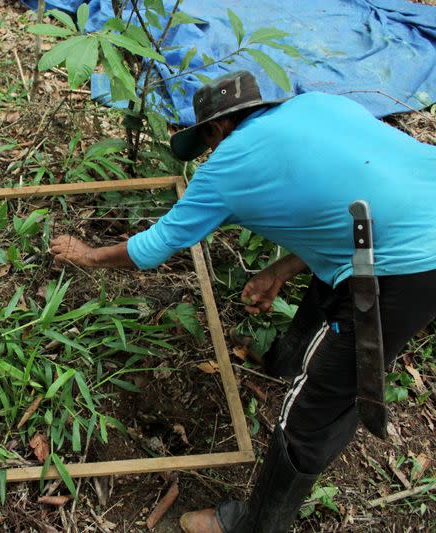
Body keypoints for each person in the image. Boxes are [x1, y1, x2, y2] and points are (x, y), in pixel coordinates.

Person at [50, 70, 436, 532]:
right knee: (330, 279)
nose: (211, 153)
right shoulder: (317, 106)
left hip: (407, 268)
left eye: (208, 142)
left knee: (313, 411)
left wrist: (89, 256)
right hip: (398, 225)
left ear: (217, 127)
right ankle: (285, 362)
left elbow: (154, 247)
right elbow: (349, 208)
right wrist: (279, 269)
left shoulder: (227, 165)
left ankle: (255, 525)